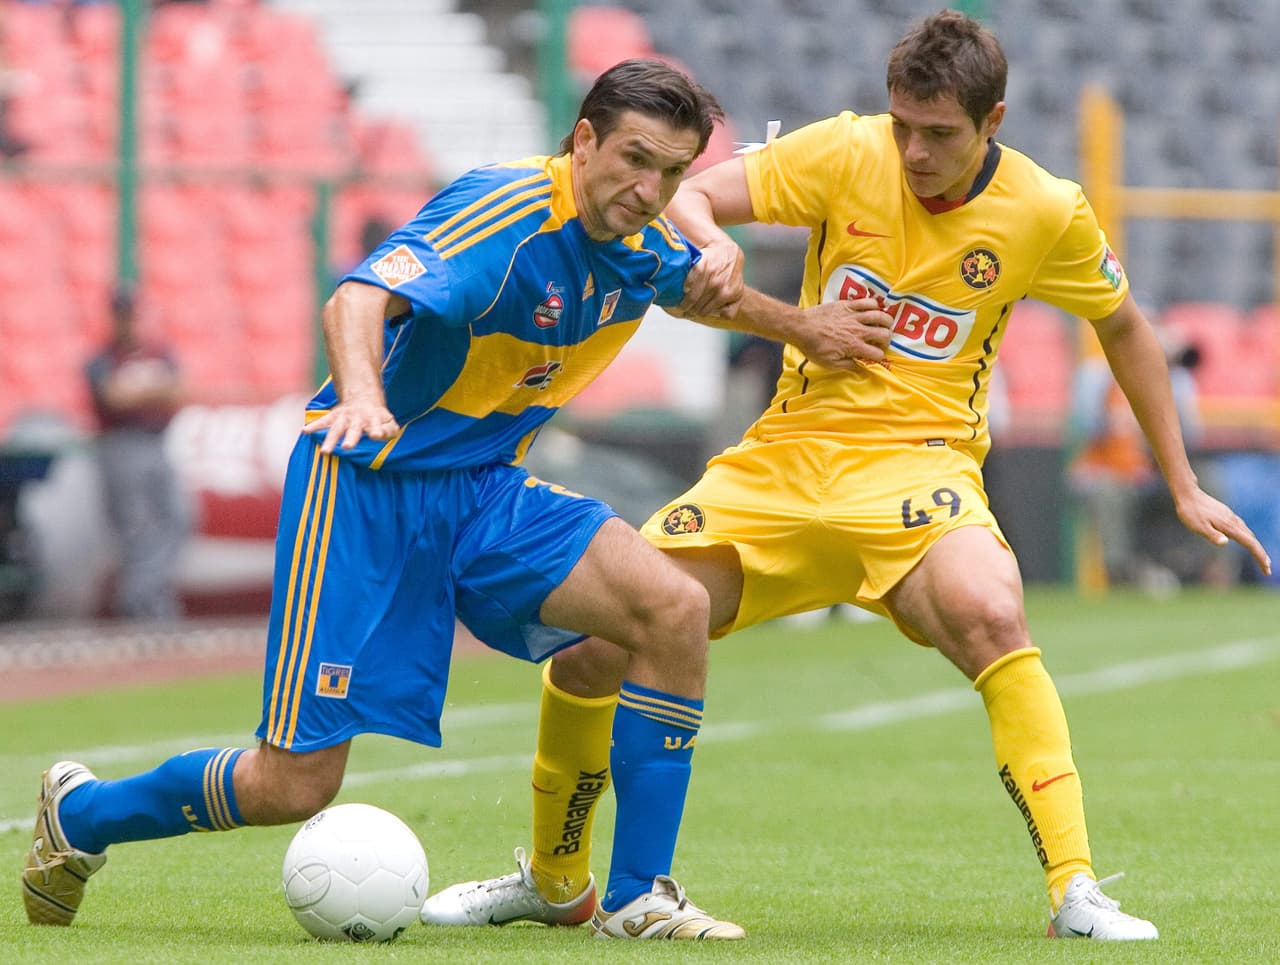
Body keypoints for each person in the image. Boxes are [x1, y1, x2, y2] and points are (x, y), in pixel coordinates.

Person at [423, 11, 1272, 942]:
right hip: (782, 462)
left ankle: (1076, 891)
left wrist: (1183, 482)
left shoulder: (1045, 208)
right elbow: (694, 196)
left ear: (993, 121)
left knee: (994, 614)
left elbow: (1124, 329)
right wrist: (713, 239)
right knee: (596, 639)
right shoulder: (846, 150)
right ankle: (555, 880)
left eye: (939, 133)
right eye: (902, 124)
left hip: (919, 471)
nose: (912, 151)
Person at [22, 59, 872, 938]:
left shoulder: (634, 235)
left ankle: (637, 894)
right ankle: (81, 816)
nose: (650, 188)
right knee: (295, 784)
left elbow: (695, 293)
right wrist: (359, 393)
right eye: (633, 158)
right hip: (363, 489)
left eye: (671, 170)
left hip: (483, 491)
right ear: (583, 141)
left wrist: (803, 326)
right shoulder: (500, 216)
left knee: (672, 607)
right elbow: (358, 296)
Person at [84, 285, 190, 619]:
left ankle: (139, 596)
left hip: (157, 442)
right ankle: (148, 607)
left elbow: (179, 390)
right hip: (121, 446)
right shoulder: (102, 358)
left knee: (178, 518)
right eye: (123, 315)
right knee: (135, 528)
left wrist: (138, 392)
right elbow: (113, 399)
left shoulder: (158, 353)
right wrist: (152, 392)